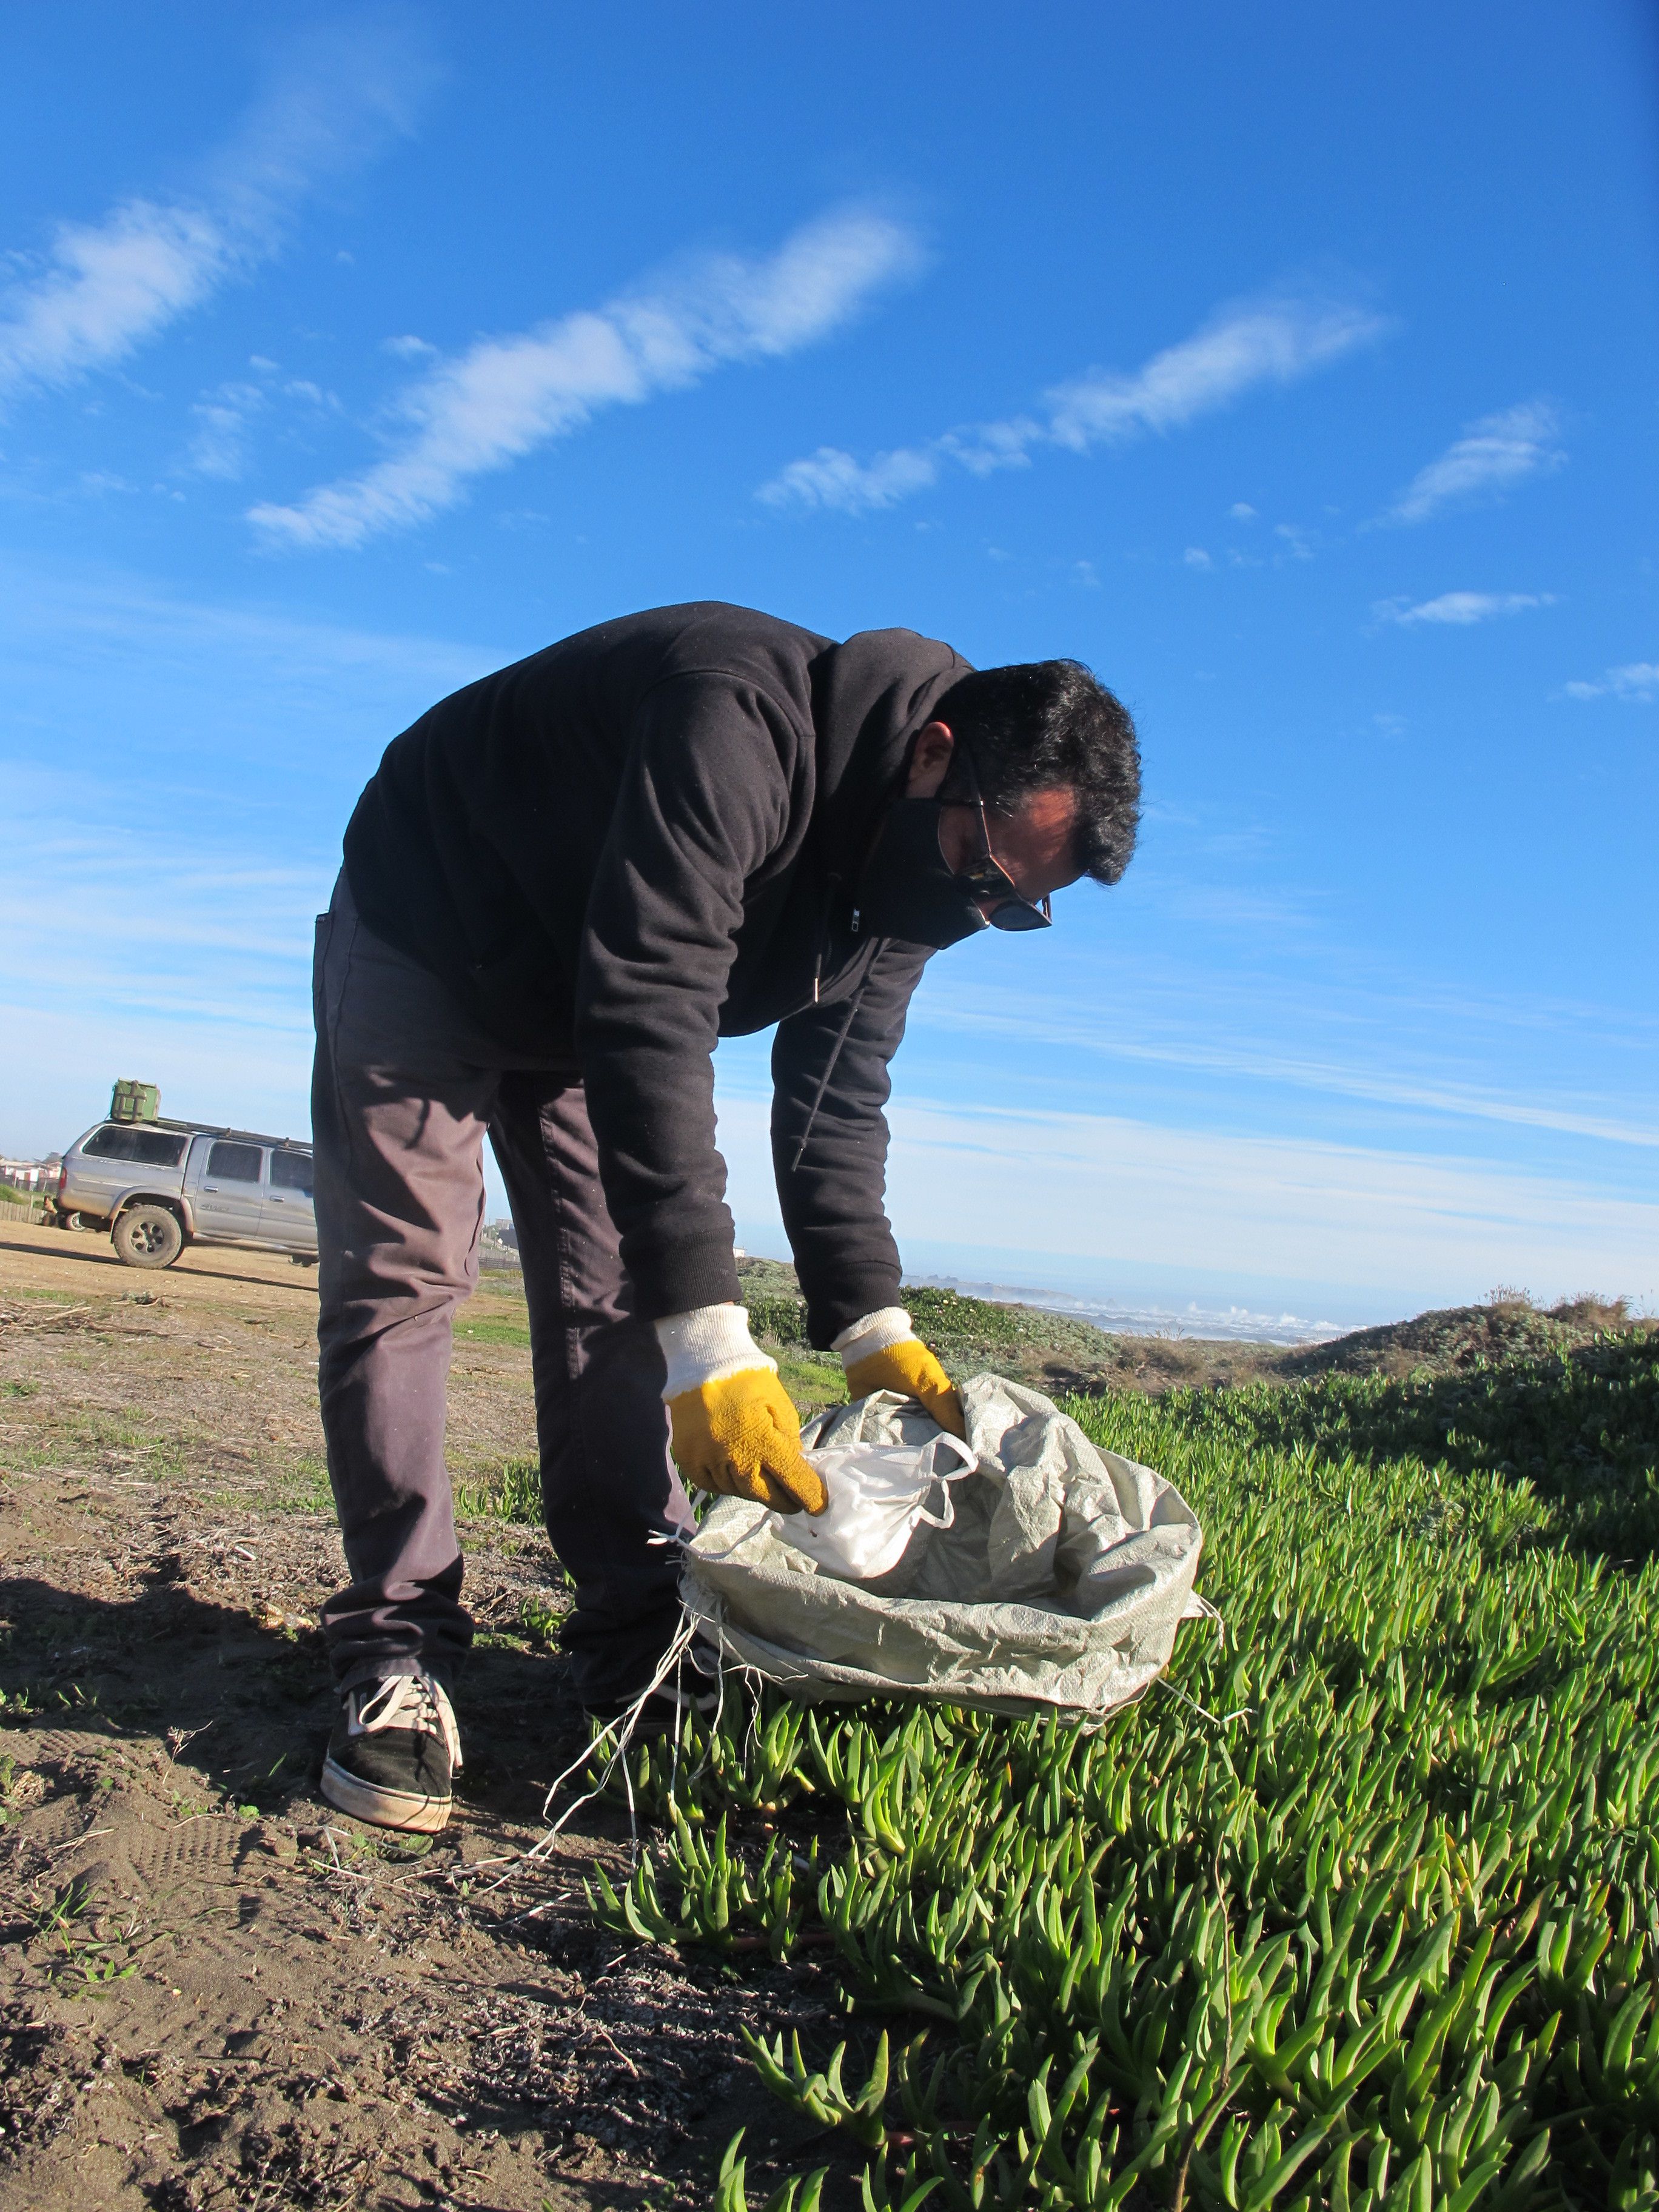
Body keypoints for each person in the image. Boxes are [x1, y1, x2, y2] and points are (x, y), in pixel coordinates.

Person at [310, 602, 1139, 1832]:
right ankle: (398, 1648)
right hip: (436, 922)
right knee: (407, 1277)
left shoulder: (924, 888)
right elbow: (653, 998)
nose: (978, 912)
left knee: (611, 1302)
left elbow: (837, 1104)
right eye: (982, 875)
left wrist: (870, 1325)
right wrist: (714, 1336)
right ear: (933, 756)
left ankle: (640, 1642)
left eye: (1014, 909)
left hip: (589, 999)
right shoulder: (736, 716)